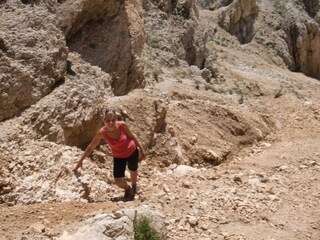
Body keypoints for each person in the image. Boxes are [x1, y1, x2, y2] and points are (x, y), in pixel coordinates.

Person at [73, 107, 146, 200]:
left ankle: (134, 186)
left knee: (133, 169)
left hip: (131, 151)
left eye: (113, 120)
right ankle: (128, 189)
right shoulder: (102, 133)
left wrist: (142, 149)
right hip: (118, 156)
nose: (110, 123)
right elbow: (91, 147)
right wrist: (80, 161)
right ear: (104, 120)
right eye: (108, 120)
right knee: (118, 180)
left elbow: (132, 136)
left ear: (116, 119)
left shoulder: (122, 125)